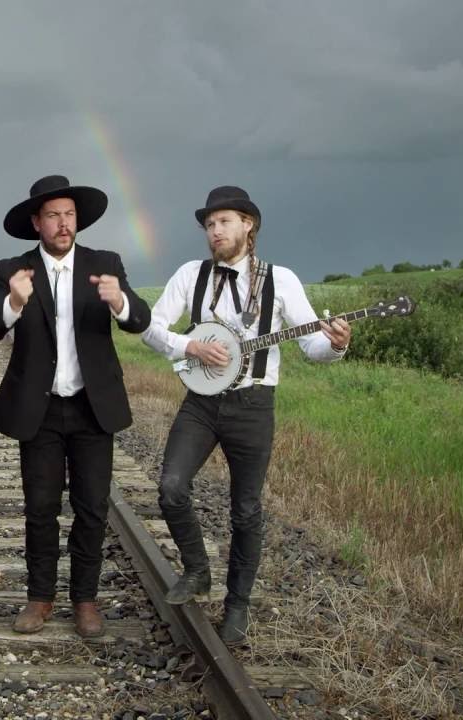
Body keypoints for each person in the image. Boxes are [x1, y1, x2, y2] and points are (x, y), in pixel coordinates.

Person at [142, 185, 351, 645]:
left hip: (253, 406)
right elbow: (150, 329)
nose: (215, 231)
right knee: (171, 486)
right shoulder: (190, 275)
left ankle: (237, 605)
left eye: (224, 222)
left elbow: (311, 345)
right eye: (209, 224)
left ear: (247, 225)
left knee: (246, 509)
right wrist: (190, 346)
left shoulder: (282, 280)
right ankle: (197, 570)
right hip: (200, 404)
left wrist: (335, 344)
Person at [0, 175, 151, 638]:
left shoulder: (104, 263)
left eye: (69, 214)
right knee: (40, 507)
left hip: (93, 407)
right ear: (37, 222)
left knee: (92, 507)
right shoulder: (13, 268)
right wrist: (13, 303)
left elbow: (139, 319)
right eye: (53, 215)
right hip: (41, 409)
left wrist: (120, 302)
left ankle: (85, 600)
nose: (63, 223)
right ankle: (40, 597)